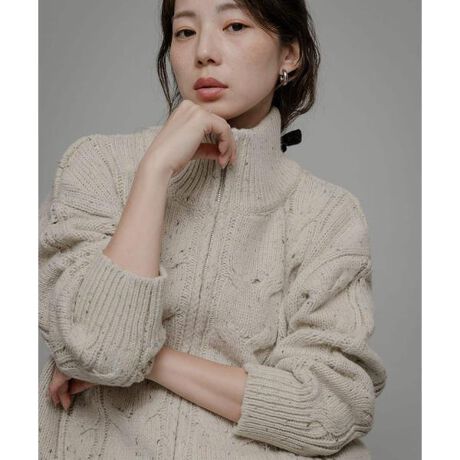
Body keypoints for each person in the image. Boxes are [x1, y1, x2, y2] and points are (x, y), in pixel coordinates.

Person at [38, 0, 387, 458]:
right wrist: (154, 173)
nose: (204, 51)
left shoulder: (328, 216)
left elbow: (330, 408)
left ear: (289, 54)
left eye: (235, 26)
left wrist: (152, 361)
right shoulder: (99, 167)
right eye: (184, 32)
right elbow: (101, 350)